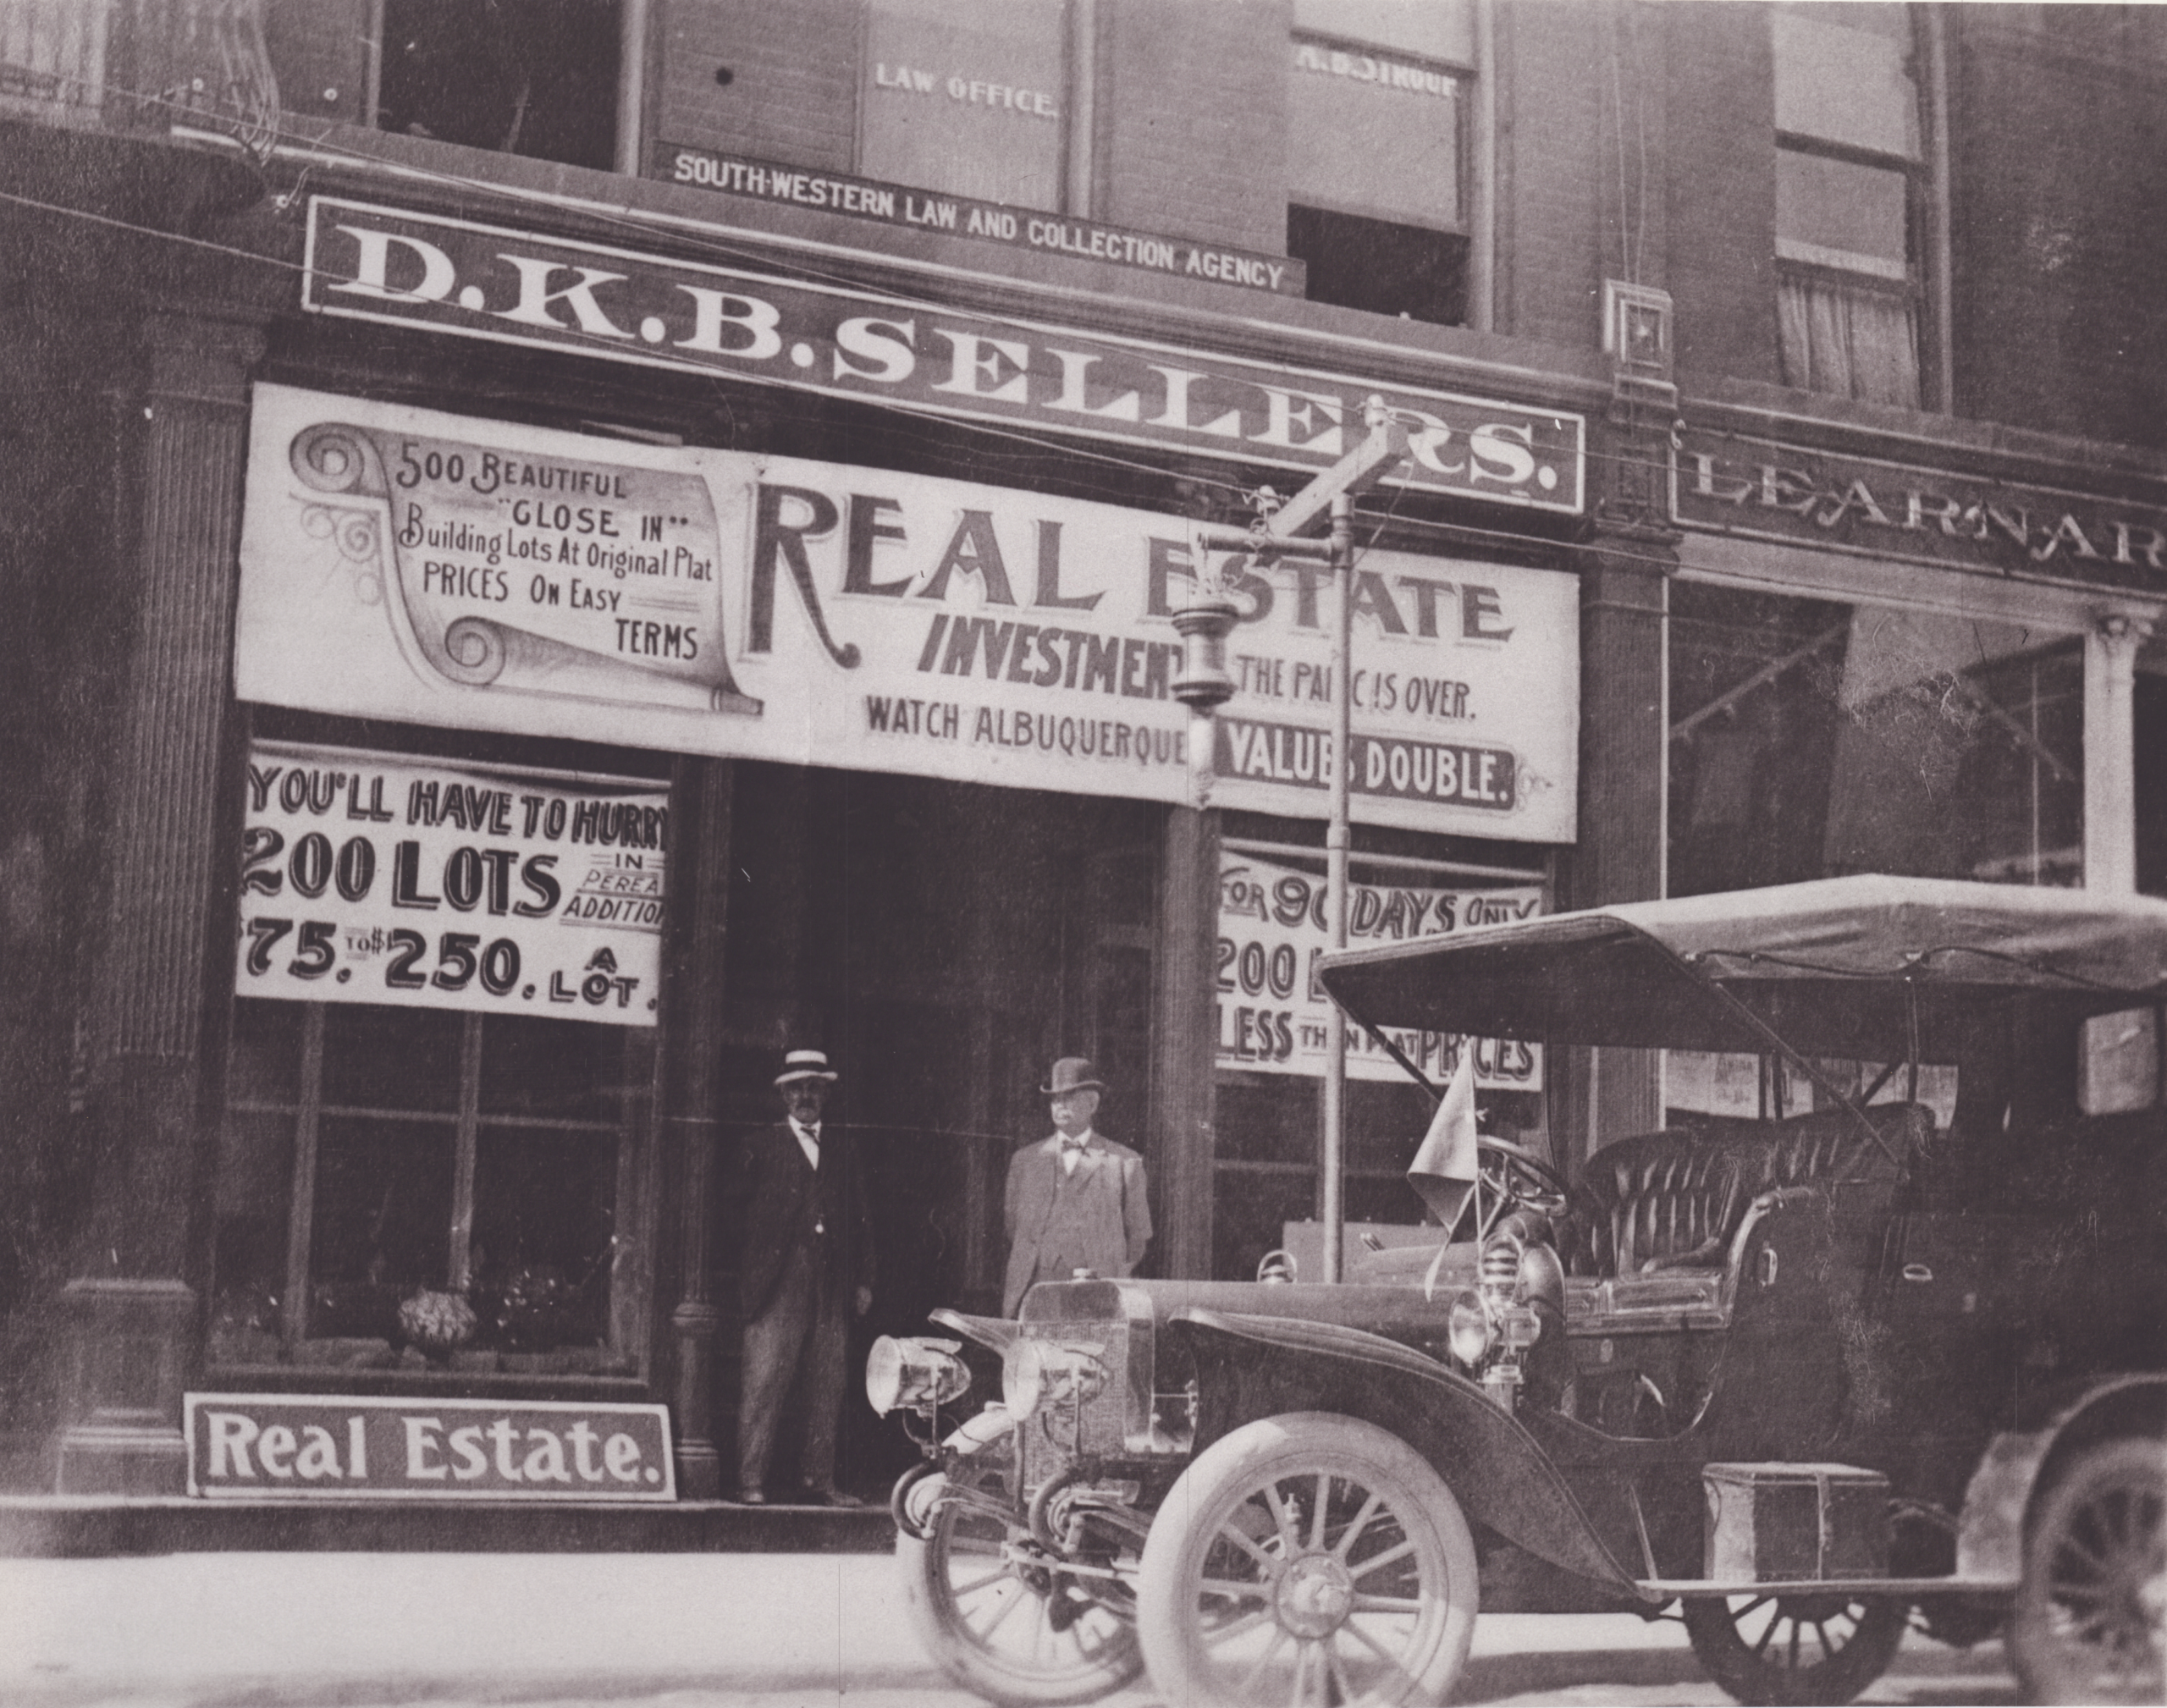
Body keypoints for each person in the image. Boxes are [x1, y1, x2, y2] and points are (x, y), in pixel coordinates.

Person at [736, 1048, 874, 1506]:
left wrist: (863, 1282)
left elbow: (860, 1220)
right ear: (783, 1096)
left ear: (826, 1093)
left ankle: (820, 1480)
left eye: (814, 1087)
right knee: (765, 1380)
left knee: (827, 1383)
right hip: (777, 1284)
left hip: (831, 1283)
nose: (805, 1096)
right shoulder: (759, 1146)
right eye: (796, 1088)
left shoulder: (844, 1148)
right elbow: (733, 1222)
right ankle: (750, 1480)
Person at [1002, 1057, 1152, 1317]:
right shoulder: (1025, 1160)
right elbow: (1013, 1227)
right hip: (1033, 1293)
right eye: (1055, 1098)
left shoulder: (1124, 1162)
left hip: (1097, 1300)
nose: (1060, 1104)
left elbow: (1138, 1238)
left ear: (1092, 1103)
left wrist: (1110, 1274)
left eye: (1070, 1096)